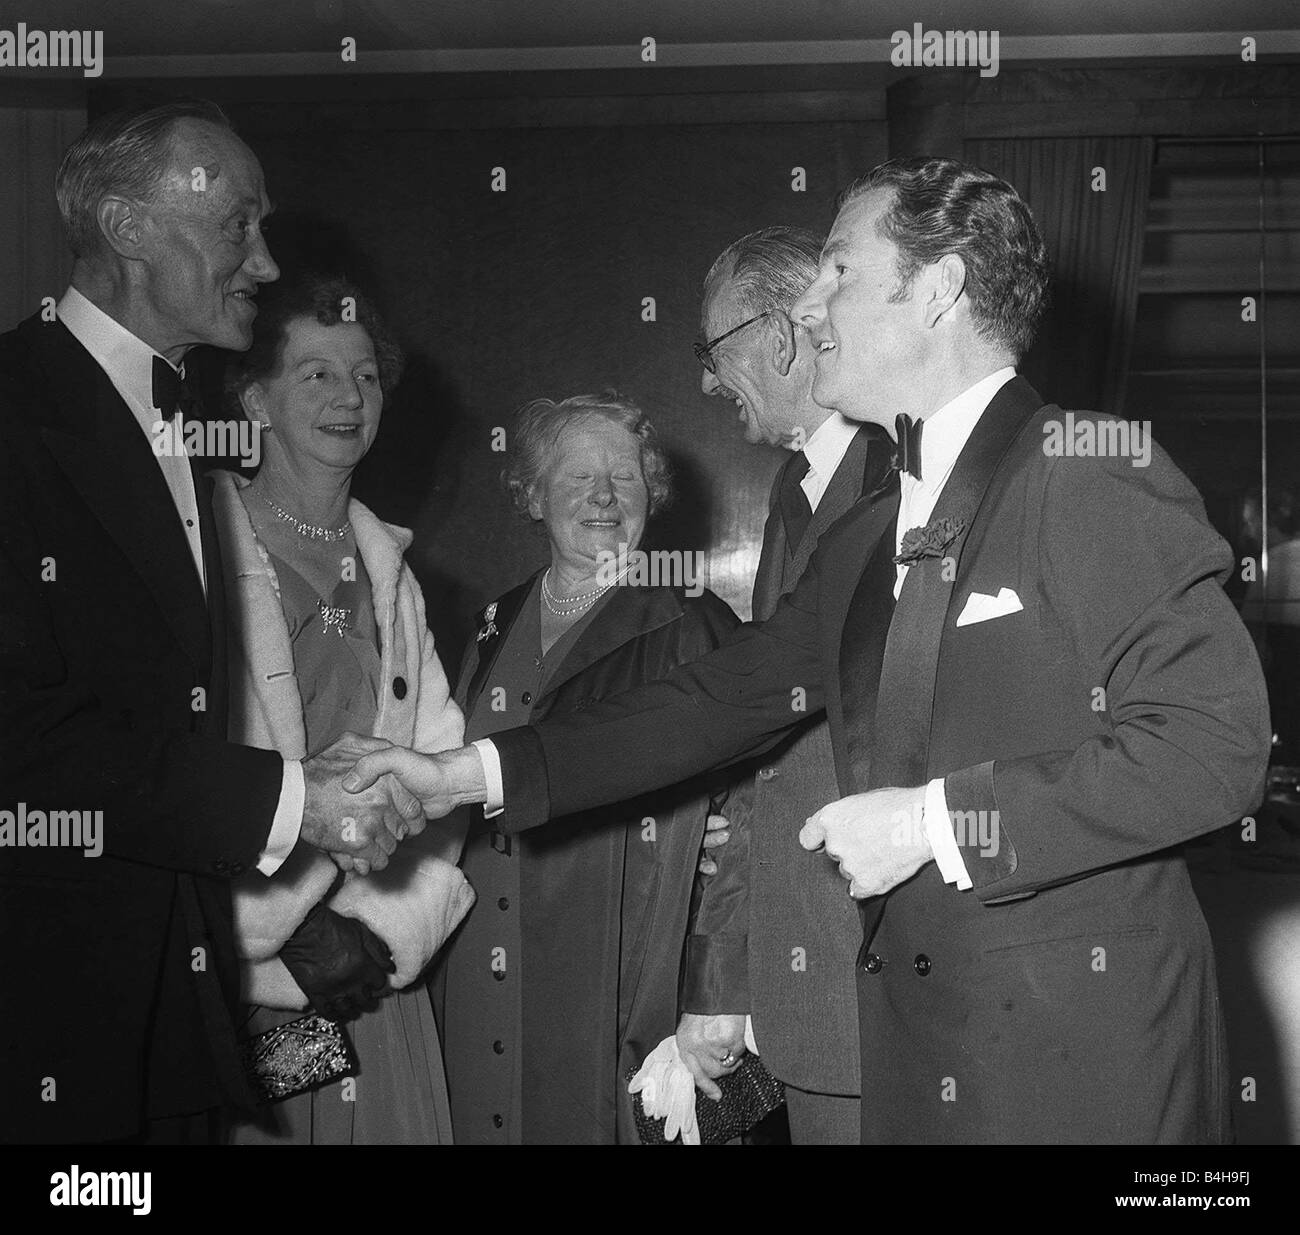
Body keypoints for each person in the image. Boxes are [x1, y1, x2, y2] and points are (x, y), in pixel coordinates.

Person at [348, 157, 1271, 1145]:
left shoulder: (1086, 470)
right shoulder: (866, 532)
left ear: (938, 289)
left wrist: (937, 821)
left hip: (1080, 1064)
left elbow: (1210, 751)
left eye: (837, 271)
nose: (810, 306)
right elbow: (713, 697)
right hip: (916, 1053)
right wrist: (465, 770)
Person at [0, 100, 421, 1144]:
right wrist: (293, 802)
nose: (268, 262)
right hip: (47, 1019)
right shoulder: (12, 410)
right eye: (239, 224)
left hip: (173, 1022)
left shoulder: (180, 425)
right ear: (127, 227)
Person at [433, 393, 741, 1144]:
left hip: (610, 976)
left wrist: (715, 989)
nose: (603, 497)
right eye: (577, 477)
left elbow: (748, 838)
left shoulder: (694, 628)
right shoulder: (491, 624)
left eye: (626, 478)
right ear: (535, 495)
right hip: (477, 959)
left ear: (653, 496)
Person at [214, 274, 471, 1143]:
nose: (348, 397)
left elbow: (442, 780)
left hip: (365, 988)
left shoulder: (391, 577)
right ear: (254, 399)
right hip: (230, 990)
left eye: (364, 376)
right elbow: (153, 779)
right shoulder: (199, 557)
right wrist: (273, 944)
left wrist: (377, 936)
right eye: (315, 374)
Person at [681, 226, 891, 1142]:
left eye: (711, 351)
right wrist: (726, 980)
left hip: (887, 996)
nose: (704, 382)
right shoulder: (792, 495)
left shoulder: (907, 479)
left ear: (776, 336)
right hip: (807, 997)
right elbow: (773, 754)